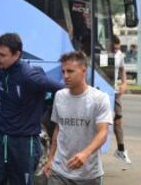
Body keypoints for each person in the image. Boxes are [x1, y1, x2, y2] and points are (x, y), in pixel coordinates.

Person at [0, 33, 63, 185]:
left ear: (17, 54)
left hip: (23, 142)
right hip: (0, 137)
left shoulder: (29, 76)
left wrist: (43, 108)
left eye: (3, 55)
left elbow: (61, 89)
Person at [43, 51, 113, 184]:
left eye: (70, 71)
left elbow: (103, 132)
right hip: (59, 172)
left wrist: (85, 154)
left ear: (83, 71)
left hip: (89, 175)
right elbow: (58, 129)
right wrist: (50, 158)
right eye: (63, 72)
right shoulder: (59, 96)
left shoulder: (99, 98)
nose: (66, 76)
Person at [113, 35, 132, 164]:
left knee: (118, 121)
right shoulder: (102, 54)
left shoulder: (119, 54)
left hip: (114, 92)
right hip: (101, 89)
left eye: (117, 48)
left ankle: (121, 150)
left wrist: (124, 83)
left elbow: (122, 69)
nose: (116, 51)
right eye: (114, 49)